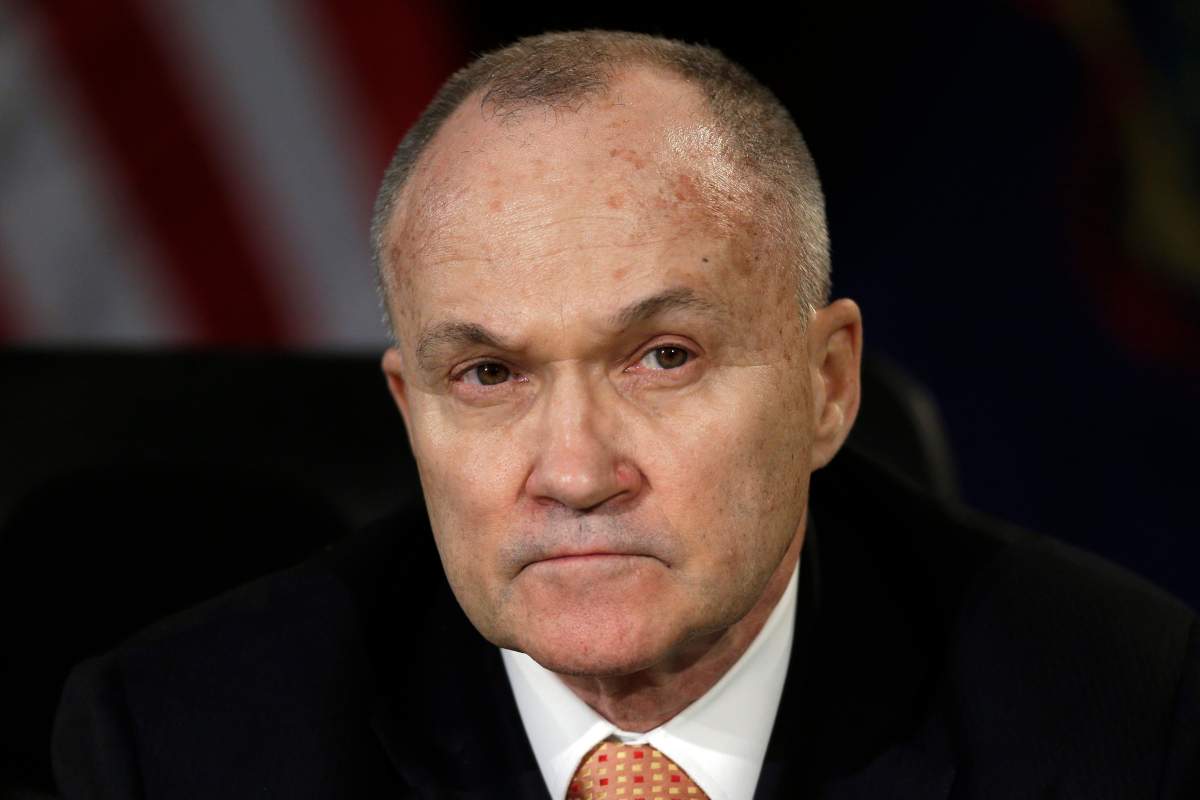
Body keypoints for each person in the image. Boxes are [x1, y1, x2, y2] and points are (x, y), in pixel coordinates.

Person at [53, 31, 1198, 800]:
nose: (574, 470)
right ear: (410, 410)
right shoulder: (186, 744)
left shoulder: (1115, 718)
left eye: (661, 356)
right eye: (489, 375)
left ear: (827, 384)